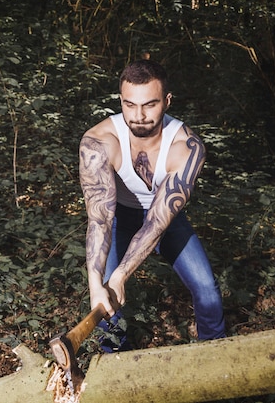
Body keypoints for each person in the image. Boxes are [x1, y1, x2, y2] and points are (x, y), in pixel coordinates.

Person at [79, 59, 225, 351]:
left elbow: (157, 223)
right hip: (118, 215)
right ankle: (115, 368)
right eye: (130, 105)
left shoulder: (186, 146)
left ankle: (214, 360)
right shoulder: (98, 142)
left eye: (150, 104)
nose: (139, 115)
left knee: (208, 292)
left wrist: (122, 275)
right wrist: (97, 284)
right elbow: (99, 220)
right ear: (121, 100)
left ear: (167, 101)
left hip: (165, 219)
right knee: (106, 298)